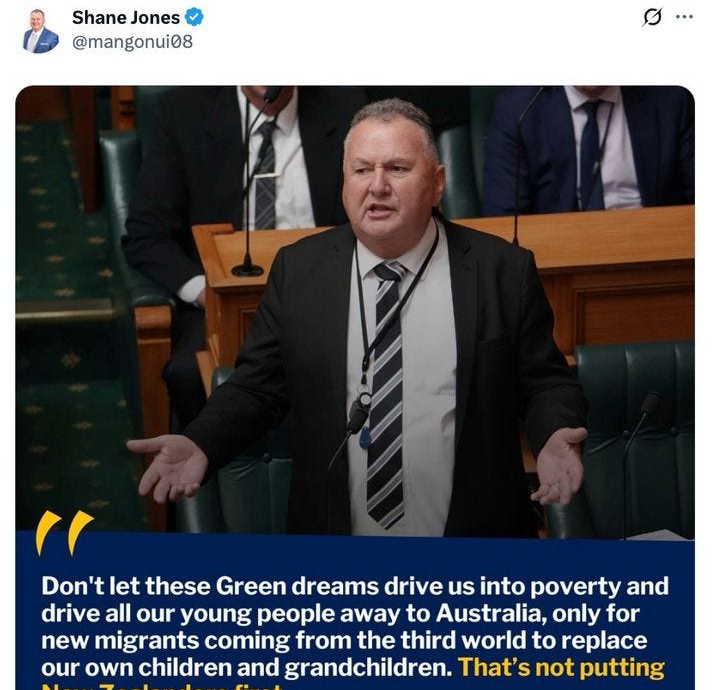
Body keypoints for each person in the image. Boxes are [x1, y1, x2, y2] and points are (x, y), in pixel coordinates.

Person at [128, 99, 587, 538]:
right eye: (362, 169)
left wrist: (552, 435)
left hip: (474, 538)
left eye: (398, 169)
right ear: (344, 180)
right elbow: (256, 387)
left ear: (438, 182)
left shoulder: (501, 270)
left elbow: (545, 381)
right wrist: (201, 441)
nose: (377, 185)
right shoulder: (300, 270)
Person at [122, 85, 366, 429]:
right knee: (189, 373)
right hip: (225, 302)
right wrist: (208, 294)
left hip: (330, 293)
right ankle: (214, 474)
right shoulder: (183, 111)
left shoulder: (348, 106)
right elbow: (146, 235)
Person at [481, 85, 694, 216]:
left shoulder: (672, 100)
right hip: (561, 260)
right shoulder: (521, 110)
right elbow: (504, 218)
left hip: (652, 252)